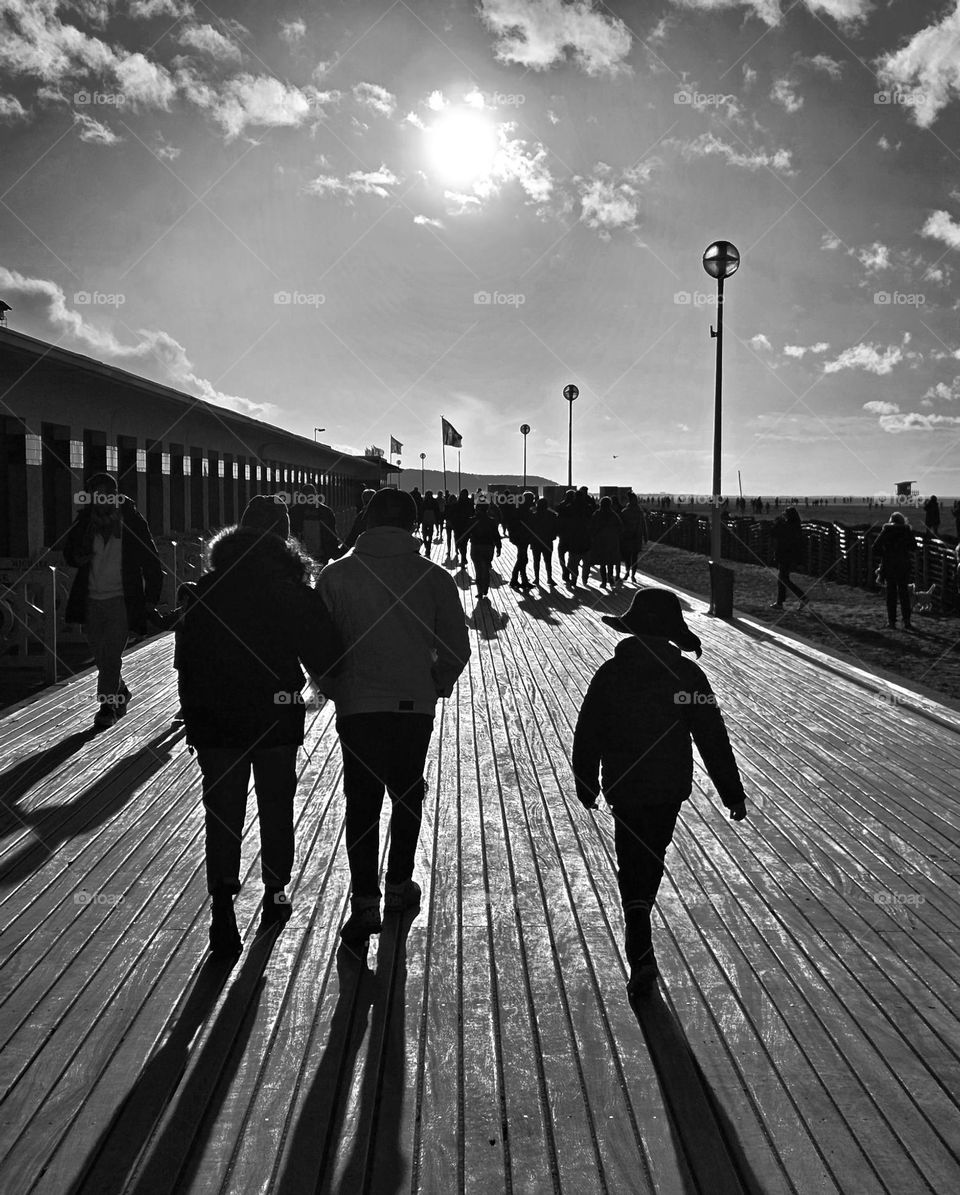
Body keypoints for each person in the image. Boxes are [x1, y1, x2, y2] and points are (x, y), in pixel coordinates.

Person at [177, 495, 344, 956]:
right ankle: (275, 892)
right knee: (275, 803)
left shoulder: (204, 589)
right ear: (282, 536)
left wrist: (193, 722)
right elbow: (327, 654)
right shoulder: (288, 589)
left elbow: (185, 664)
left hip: (215, 719)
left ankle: (222, 908)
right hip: (274, 715)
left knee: (222, 812)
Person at [572, 589, 748, 996]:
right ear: (672, 631)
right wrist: (731, 793)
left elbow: (589, 730)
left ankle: (638, 940)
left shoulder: (611, 674)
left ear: (633, 629)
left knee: (630, 856)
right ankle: (641, 925)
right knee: (652, 856)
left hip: (624, 784)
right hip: (668, 786)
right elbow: (712, 737)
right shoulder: (687, 677)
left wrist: (586, 781)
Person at [315, 488, 471, 944]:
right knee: (407, 793)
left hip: (357, 704)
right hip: (412, 704)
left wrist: (332, 686)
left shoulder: (336, 575)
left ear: (366, 520)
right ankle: (399, 885)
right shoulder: (434, 577)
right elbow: (456, 646)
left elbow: (317, 643)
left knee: (361, 801)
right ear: (412, 523)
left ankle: (364, 900)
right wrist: (436, 683)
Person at [64, 473, 164, 729]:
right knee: (101, 656)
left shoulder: (131, 520)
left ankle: (107, 706)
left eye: (106, 494)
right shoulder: (85, 521)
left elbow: (151, 559)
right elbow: (69, 553)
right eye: (96, 494)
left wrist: (151, 599)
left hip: (121, 599)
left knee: (111, 655)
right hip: (91, 599)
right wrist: (78, 556)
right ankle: (120, 691)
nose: (101, 499)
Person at [874, 510, 916, 630]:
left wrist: (885, 554)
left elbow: (875, 547)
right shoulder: (906, 530)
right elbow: (914, 546)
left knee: (891, 594)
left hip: (889, 565)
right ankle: (906, 621)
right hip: (903, 565)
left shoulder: (887, 530)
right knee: (904, 594)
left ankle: (891, 621)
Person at [288, 483, 340, 569]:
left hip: (304, 554)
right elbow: (332, 534)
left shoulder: (294, 511)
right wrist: (333, 551)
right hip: (320, 553)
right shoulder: (326, 512)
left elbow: (291, 533)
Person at [769, 506, 808, 609]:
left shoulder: (787, 526)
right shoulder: (794, 526)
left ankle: (802, 597)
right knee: (782, 579)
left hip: (785, 555)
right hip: (788, 555)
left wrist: (777, 522)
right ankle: (780, 602)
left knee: (783, 579)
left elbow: (774, 533)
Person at [466, 502, 502, 598]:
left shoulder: (472, 520)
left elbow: (467, 533)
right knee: (486, 568)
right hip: (488, 546)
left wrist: (461, 543)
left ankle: (480, 591)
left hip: (476, 546)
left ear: (477, 509)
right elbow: (496, 535)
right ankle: (485, 587)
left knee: (478, 569)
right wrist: (499, 546)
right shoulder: (491, 521)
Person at [589, 496, 623, 587]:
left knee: (602, 563)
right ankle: (610, 579)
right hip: (611, 541)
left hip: (600, 541)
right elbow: (620, 527)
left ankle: (604, 581)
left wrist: (593, 537)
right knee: (610, 562)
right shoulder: (613, 515)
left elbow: (592, 527)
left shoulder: (597, 514)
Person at [565, 489, 595, 586]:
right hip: (586, 537)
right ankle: (584, 578)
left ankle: (574, 579)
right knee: (586, 562)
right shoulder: (588, 508)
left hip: (574, 538)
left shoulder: (570, 508)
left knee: (573, 561)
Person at [529, 497, 559, 586]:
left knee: (536, 560)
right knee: (548, 561)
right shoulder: (552, 515)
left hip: (536, 541)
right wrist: (553, 537)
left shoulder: (533, 516)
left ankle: (537, 578)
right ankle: (549, 578)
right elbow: (555, 528)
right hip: (547, 541)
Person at [509, 492, 535, 590]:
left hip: (521, 537)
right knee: (522, 559)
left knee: (522, 558)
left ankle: (522, 580)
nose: (533, 501)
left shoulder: (520, 508)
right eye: (532, 499)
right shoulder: (523, 510)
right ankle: (515, 579)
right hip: (521, 538)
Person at [619, 493, 646, 581]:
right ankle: (630, 574)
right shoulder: (632, 511)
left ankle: (631, 574)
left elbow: (643, 524)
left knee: (632, 557)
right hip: (631, 537)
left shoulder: (627, 511)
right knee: (630, 557)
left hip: (632, 537)